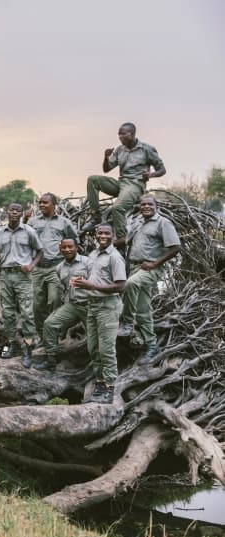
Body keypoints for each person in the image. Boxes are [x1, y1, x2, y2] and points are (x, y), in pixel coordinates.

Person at [116, 196, 181, 364]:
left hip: (151, 268)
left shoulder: (163, 223)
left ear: (156, 206)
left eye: (150, 204)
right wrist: (108, 243)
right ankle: (152, 346)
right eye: (143, 204)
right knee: (143, 309)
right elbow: (127, 240)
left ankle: (127, 322)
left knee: (130, 284)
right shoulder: (138, 223)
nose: (146, 206)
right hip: (135, 267)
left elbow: (176, 248)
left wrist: (154, 264)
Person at [72, 223, 126, 404]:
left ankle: (110, 387)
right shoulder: (93, 255)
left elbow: (120, 286)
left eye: (106, 233)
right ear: (95, 235)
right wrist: (82, 282)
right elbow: (95, 278)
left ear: (113, 235)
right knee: (93, 348)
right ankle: (100, 383)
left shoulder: (115, 257)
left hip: (108, 306)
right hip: (93, 306)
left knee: (106, 349)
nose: (102, 235)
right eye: (100, 233)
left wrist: (91, 286)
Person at [83, 123, 166, 239]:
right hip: (121, 183)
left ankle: (121, 240)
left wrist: (150, 175)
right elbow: (106, 169)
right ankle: (96, 217)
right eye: (119, 134)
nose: (120, 137)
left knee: (118, 208)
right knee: (93, 180)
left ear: (131, 134)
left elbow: (162, 170)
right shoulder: (120, 149)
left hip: (135, 185)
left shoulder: (147, 149)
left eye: (123, 134)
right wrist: (106, 157)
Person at [0, 203, 43, 368]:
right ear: (7, 212)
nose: (13, 212)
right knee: (7, 313)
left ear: (21, 214)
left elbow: (40, 251)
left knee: (27, 313)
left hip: (23, 276)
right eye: (11, 210)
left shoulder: (29, 231)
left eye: (17, 211)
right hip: (5, 275)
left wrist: (32, 266)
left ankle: (28, 348)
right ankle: (13, 343)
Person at [25, 193, 77, 340]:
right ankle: (43, 337)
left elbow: (73, 241)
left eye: (45, 203)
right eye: (40, 203)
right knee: (36, 305)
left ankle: (55, 334)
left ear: (54, 205)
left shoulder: (64, 222)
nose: (41, 205)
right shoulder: (33, 222)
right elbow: (24, 240)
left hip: (56, 267)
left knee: (55, 300)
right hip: (37, 268)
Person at [34, 238, 90, 370]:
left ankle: (96, 365)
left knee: (95, 337)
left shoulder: (88, 262)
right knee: (49, 323)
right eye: (64, 248)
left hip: (90, 305)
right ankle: (51, 359)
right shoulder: (60, 267)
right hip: (73, 305)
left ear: (77, 247)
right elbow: (63, 288)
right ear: (60, 250)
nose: (67, 250)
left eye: (70, 247)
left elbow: (98, 282)